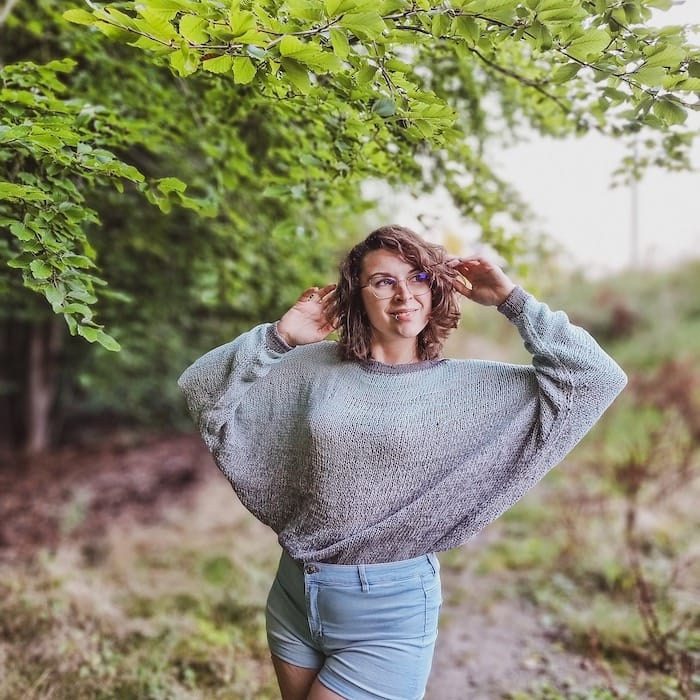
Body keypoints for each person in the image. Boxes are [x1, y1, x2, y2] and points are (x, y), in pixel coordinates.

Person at [178, 225, 627, 700]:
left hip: (390, 611)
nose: (404, 295)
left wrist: (512, 301)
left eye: (417, 277)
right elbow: (201, 389)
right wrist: (280, 337)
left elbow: (594, 378)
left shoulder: (470, 387)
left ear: (436, 288)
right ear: (357, 295)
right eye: (383, 281)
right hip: (294, 593)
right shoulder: (312, 368)